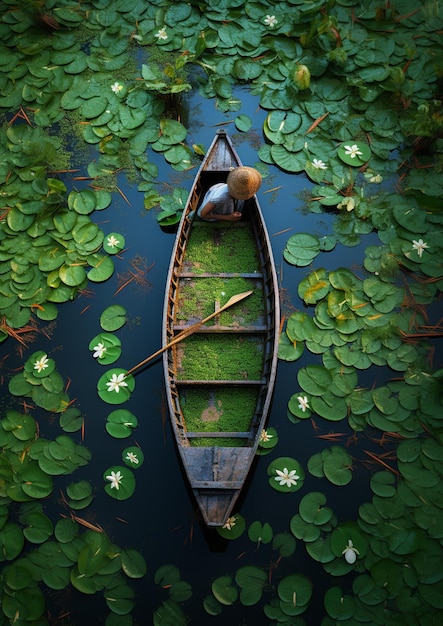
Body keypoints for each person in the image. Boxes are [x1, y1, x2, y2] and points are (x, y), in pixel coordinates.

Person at [195, 166, 262, 222]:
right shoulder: (220, 198)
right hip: (210, 215)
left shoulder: (233, 189)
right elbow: (203, 214)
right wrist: (229, 217)